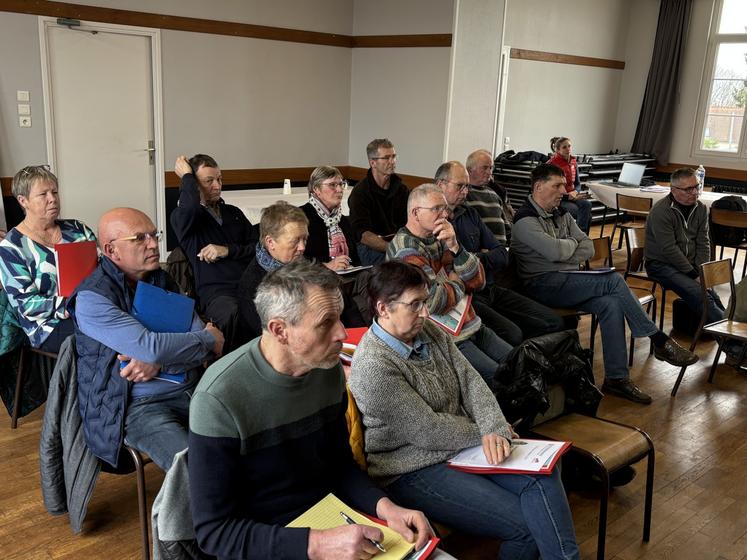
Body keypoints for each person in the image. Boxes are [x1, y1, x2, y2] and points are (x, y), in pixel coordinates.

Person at [188, 259, 434, 559]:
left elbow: (340, 466)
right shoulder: (219, 397)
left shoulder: (325, 370)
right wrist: (317, 544)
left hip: (332, 520)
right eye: (325, 323)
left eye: (339, 318)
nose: (342, 333)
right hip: (268, 543)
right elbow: (216, 533)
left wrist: (385, 507)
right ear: (280, 330)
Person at [349, 261, 580, 560]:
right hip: (412, 469)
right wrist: (485, 431)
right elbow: (428, 431)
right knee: (526, 526)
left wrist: (495, 428)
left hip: (459, 449)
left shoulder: (428, 330)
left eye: (425, 301)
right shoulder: (374, 366)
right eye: (415, 305)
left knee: (545, 474)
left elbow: (471, 381)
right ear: (383, 309)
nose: (425, 313)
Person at [511, 163, 698, 404]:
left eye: (564, 185)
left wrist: (565, 249)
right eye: (557, 185)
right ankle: (658, 340)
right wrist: (569, 246)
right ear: (538, 187)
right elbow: (555, 250)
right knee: (612, 279)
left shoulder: (562, 213)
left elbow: (587, 247)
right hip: (541, 285)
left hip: (566, 281)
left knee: (610, 303)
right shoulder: (524, 219)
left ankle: (616, 379)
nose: (563, 190)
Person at [71, 208, 224, 471]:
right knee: (196, 469)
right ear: (112, 250)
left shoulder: (160, 278)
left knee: (255, 437)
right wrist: (206, 340)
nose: (154, 244)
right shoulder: (91, 298)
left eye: (154, 235)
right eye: (139, 238)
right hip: (137, 406)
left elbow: (197, 338)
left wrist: (161, 362)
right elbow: (155, 347)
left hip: (194, 388)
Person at [387, 184, 512, 381]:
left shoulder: (442, 236)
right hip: (445, 339)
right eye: (436, 208)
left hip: (471, 324)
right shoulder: (405, 250)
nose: (445, 214)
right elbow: (433, 301)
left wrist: (456, 247)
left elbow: (479, 281)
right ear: (415, 213)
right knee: (500, 377)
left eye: (445, 208)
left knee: (518, 361)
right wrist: (459, 282)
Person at [436, 161, 565, 345]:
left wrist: (471, 259)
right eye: (460, 186)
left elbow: (501, 255)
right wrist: (478, 256)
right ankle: (518, 365)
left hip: (490, 287)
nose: (465, 192)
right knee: (513, 334)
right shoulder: (433, 221)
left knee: (554, 322)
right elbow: (445, 266)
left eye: (467, 186)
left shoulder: (470, 213)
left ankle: (530, 365)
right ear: (441, 184)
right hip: (466, 297)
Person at [0, 165, 97, 353]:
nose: (52, 199)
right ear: (23, 201)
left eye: (55, 192)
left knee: (131, 326)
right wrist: (71, 306)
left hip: (93, 310)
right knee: (102, 340)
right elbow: (27, 305)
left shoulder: (78, 229)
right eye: (43, 194)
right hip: (48, 325)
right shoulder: (11, 247)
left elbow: (103, 270)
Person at [170, 154, 258, 353]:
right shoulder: (185, 219)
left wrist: (227, 250)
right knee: (235, 313)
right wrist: (186, 176)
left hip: (251, 284)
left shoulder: (233, 212)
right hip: (218, 294)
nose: (217, 186)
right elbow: (190, 206)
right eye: (209, 181)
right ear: (194, 184)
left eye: (219, 179)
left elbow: (257, 247)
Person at [645, 167, 724, 324]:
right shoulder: (661, 211)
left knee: (712, 296)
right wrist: (693, 275)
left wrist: (701, 271)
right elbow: (669, 249)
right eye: (688, 189)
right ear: (673, 190)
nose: (695, 192)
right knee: (701, 296)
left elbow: (704, 242)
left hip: (689, 266)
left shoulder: (701, 208)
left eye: (697, 187)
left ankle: (733, 337)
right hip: (661, 265)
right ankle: (733, 343)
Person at [237, 201, 310, 338]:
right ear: (270, 242)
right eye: (295, 241)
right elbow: (270, 338)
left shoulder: (303, 265)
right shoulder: (253, 286)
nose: (302, 247)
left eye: (305, 239)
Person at [348, 138, 410, 265]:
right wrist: (394, 250)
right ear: (373, 163)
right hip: (370, 247)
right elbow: (363, 235)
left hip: (396, 243)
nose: (392, 161)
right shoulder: (360, 192)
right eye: (386, 158)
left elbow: (408, 224)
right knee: (399, 268)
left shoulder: (402, 190)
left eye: (394, 156)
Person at [300, 165, 360, 271]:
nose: (339, 189)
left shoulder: (343, 221)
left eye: (341, 184)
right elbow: (293, 260)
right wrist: (326, 267)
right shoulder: (300, 218)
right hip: (313, 280)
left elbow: (355, 259)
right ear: (316, 189)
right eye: (332, 185)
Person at [464, 149, 514, 243]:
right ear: (470, 170)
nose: (489, 172)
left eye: (491, 168)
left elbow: (507, 227)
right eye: (485, 168)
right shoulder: (464, 194)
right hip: (482, 251)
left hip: (502, 249)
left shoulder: (495, 194)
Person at [546, 137, 592, 234]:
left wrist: (575, 192)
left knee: (587, 204)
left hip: (572, 196)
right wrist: (567, 196)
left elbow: (578, 184)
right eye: (564, 147)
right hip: (559, 199)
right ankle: (579, 237)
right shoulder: (551, 164)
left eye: (569, 146)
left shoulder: (573, 162)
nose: (568, 149)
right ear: (558, 150)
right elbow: (550, 188)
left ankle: (581, 237)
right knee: (586, 215)